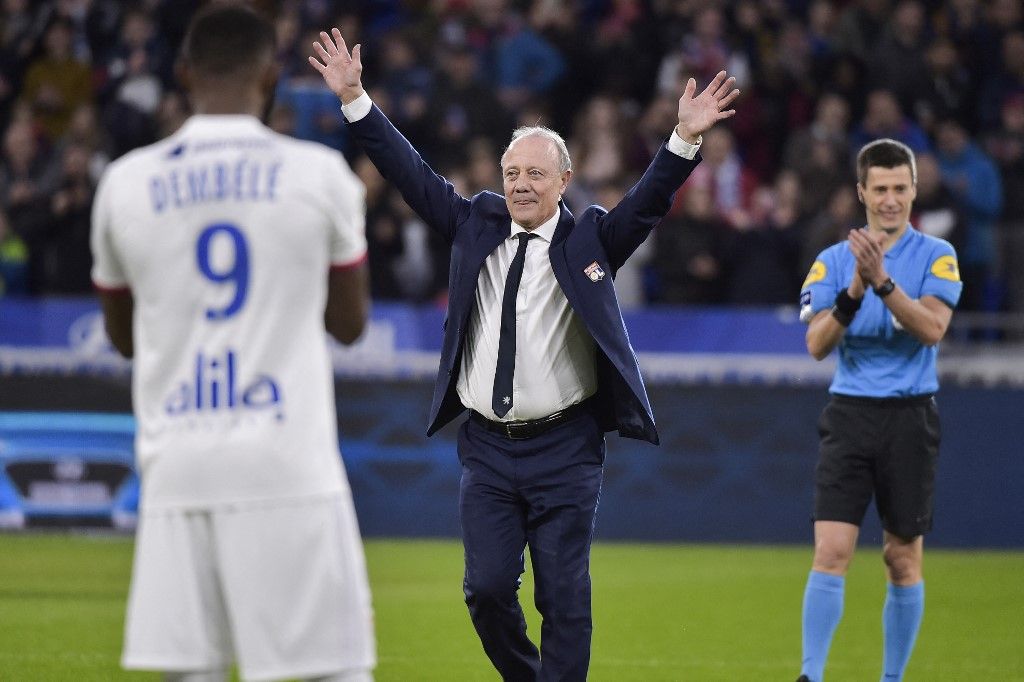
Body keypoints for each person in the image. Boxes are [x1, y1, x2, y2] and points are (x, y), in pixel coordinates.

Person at [309, 27, 739, 681]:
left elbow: (648, 204)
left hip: (566, 448)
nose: (520, 184)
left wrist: (682, 141)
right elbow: (410, 176)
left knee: (563, 597)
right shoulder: (474, 222)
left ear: (564, 180)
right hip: (486, 448)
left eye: (535, 173)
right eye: (512, 173)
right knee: (484, 591)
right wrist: (356, 100)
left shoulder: (590, 239)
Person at [90, 7, 375, 682]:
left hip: (177, 468)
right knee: (328, 673)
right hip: (287, 463)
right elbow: (349, 325)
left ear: (183, 75)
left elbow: (122, 336)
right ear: (271, 76)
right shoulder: (320, 175)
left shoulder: (125, 183)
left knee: (192, 674)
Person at [796, 138, 962, 682]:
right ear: (861, 193)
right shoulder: (831, 262)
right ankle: (811, 675)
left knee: (900, 559)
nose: (890, 200)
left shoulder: (937, 255)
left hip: (909, 417)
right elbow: (818, 345)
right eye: (880, 189)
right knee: (832, 551)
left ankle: (892, 678)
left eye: (899, 189)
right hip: (849, 415)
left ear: (913, 191)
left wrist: (884, 285)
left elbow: (933, 329)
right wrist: (854, 287)